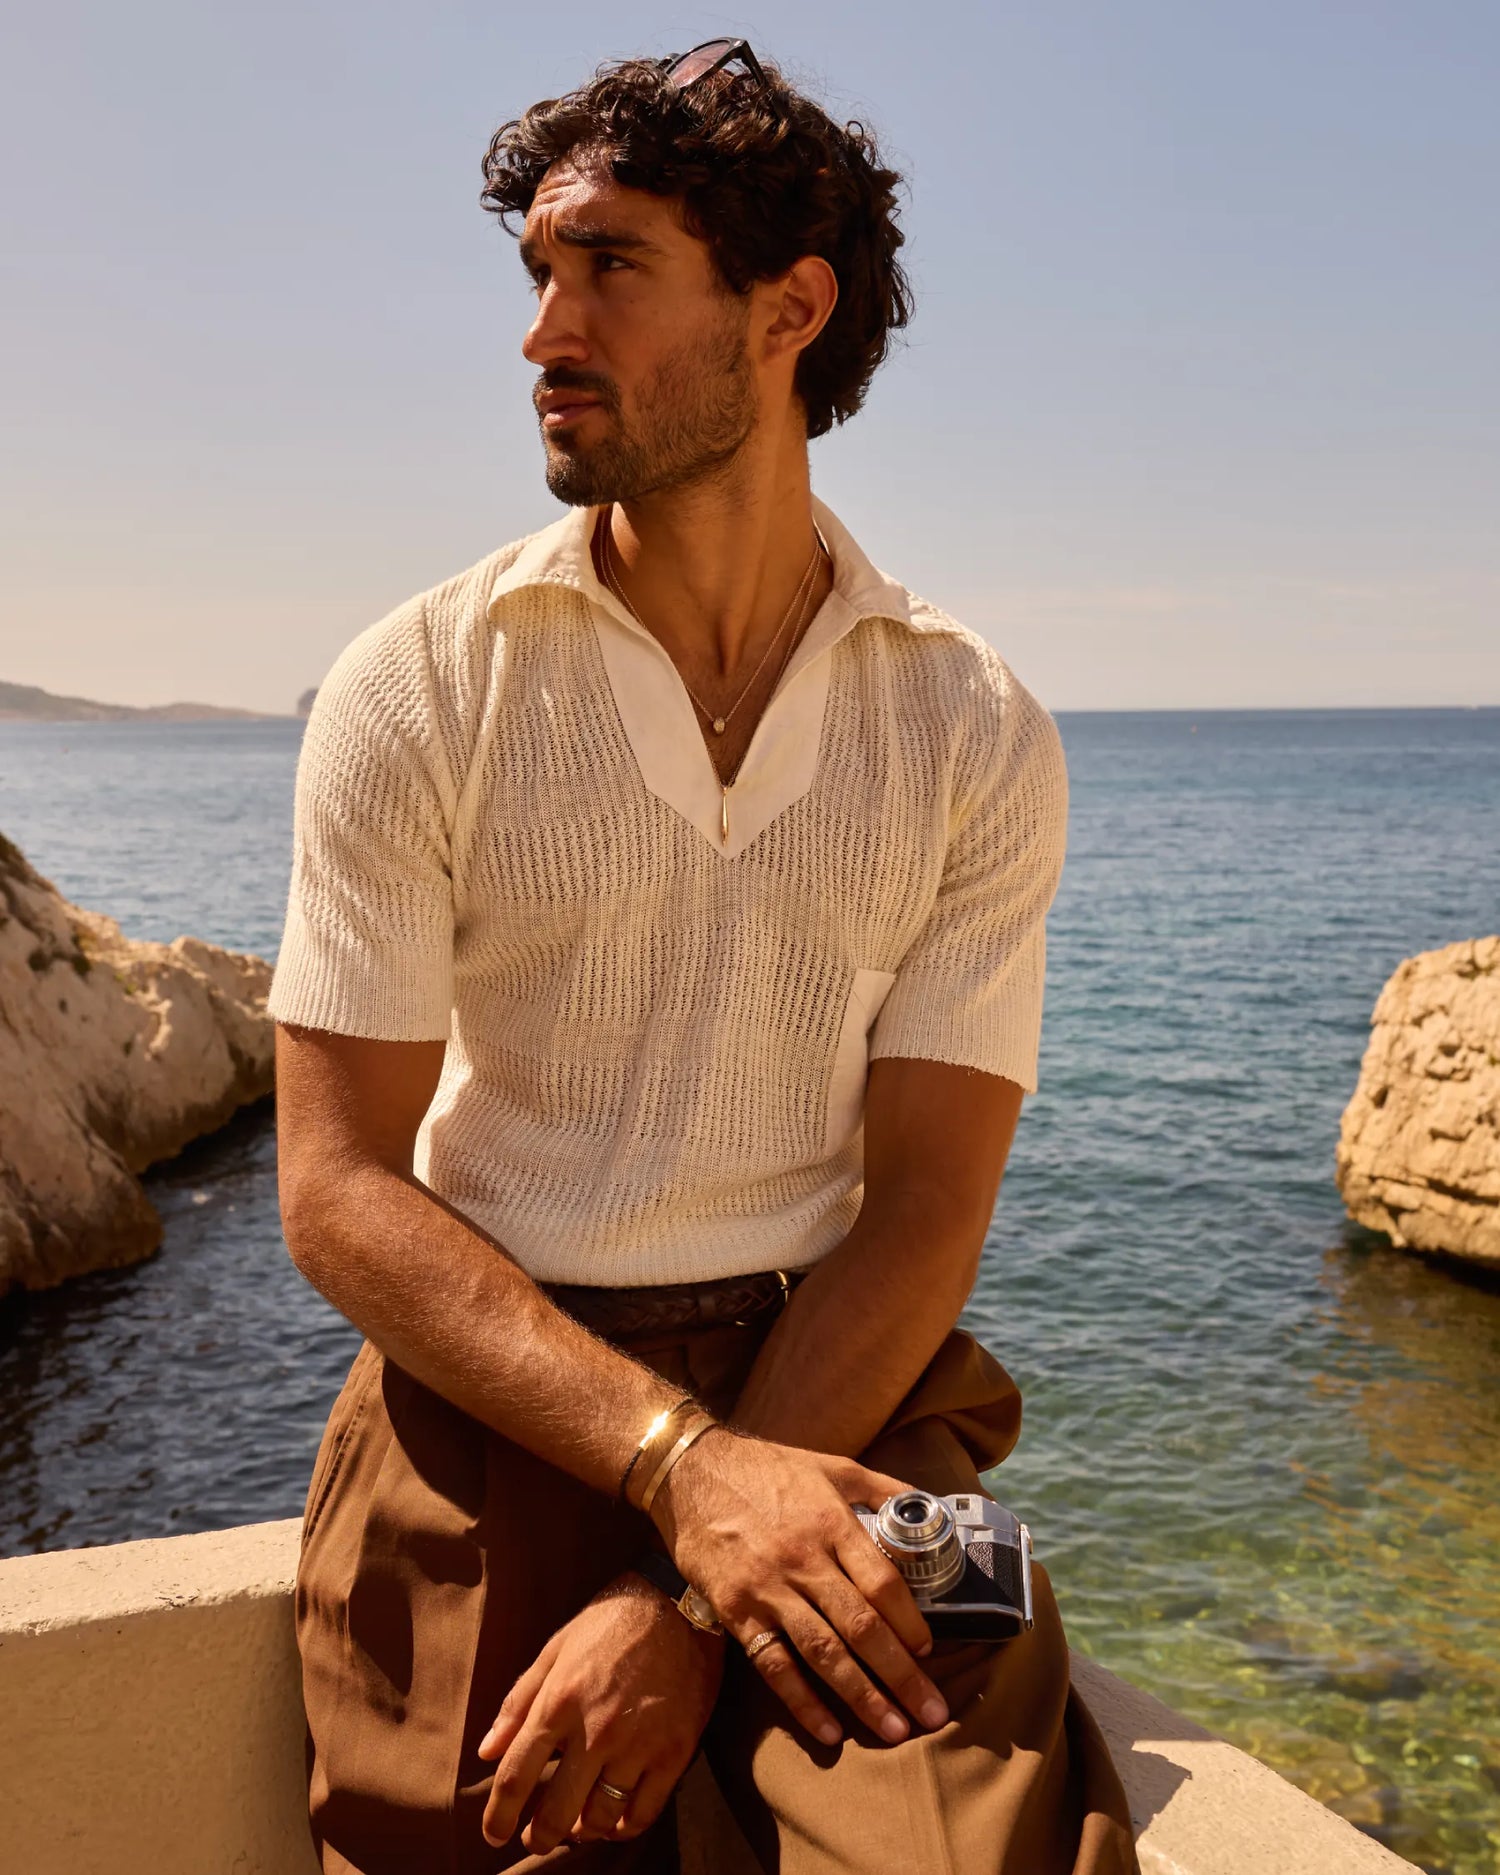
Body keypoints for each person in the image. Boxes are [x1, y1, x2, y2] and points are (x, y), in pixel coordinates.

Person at [269, 38, 1139, 1875]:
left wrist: (690, 1583)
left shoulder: (972, 722)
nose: (543, 330)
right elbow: (336, 1188)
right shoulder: (416, 686)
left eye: (611, 265)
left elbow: (927, 1202)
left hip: (853, 1403)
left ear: (786, 311)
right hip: (485, 1400)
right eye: (538, 271)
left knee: (996, 1848)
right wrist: (680, 1471)